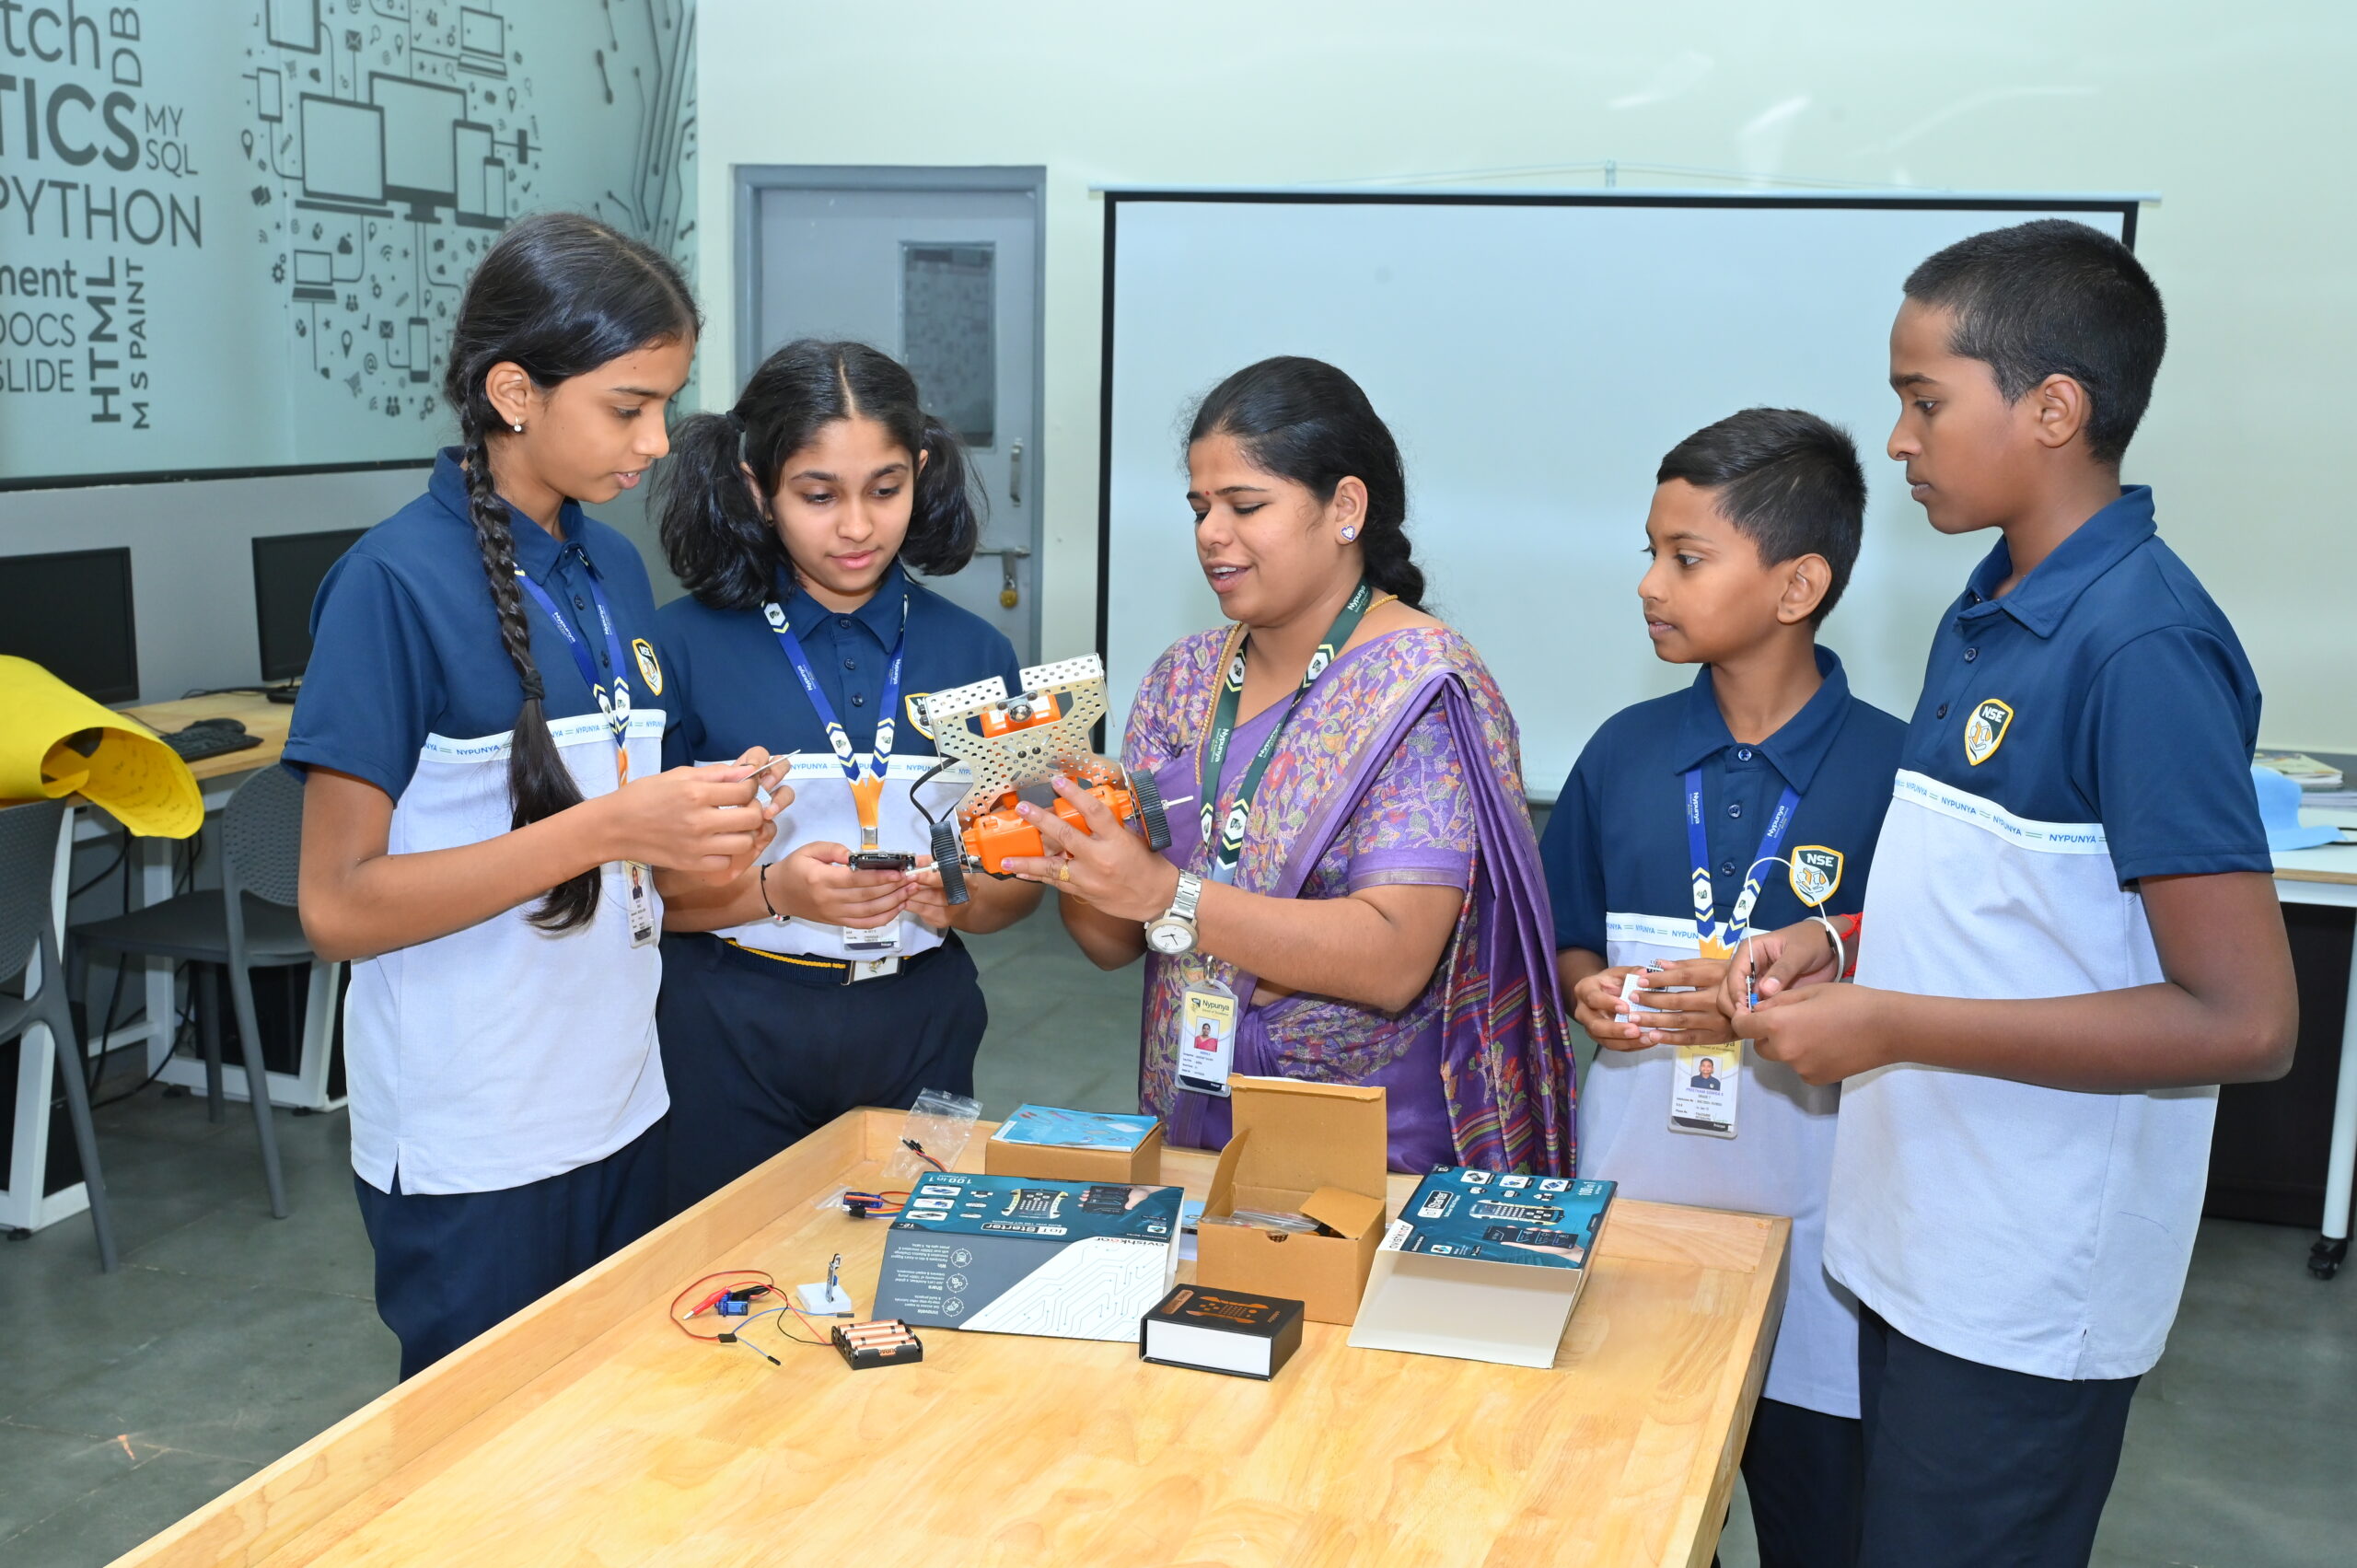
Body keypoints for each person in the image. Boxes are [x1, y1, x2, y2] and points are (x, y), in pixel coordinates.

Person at [1725, 220, 2298, 1567]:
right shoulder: (1990, 608)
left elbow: (2243, 1017)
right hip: (1919, 1232)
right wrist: (1840, 944)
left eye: (1924, 400)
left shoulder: (2143, 644)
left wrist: (1890, 1021)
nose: (1899, 440)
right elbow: (2013, 907)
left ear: (2053, 409)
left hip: (2025, 1287)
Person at [287, 214, 783, 1378]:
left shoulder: (612, 566)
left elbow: (619, 840)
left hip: (621, 1098)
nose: (656, 442)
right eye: (628, 407)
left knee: (617, 1433)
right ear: (515, 392)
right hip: (476, 1139)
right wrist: (608, 825)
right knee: (485, 1458)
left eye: (666, 406)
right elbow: (338, 906)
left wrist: (705, 818)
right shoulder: (391, 583)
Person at [1016, 355, 1573, 1174]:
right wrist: (1071, 841)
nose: (1211, 533)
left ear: (1345, 507)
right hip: (1188, 1122)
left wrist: (1170, 894)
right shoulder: (1184, 679)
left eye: (1245, 505)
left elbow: (1393, 957)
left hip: (1364, 1157)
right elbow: (1112, 944)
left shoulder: (1418, 687)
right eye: (1200, 508)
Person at [1541, 408, 1903, 1568]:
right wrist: (1589, 989)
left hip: (1820, 1246)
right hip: (1634, 1209)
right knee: (1625, 1521)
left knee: (1820, 1524)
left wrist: (1783, 1004)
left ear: (1798, 584)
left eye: (1686, 557)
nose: (1649, 583)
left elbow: (1919, 983)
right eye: (1650, 551)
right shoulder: (1622, 751)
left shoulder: (1897, 770)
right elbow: (1566, 934)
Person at [651, 340, 1038, 1211]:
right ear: (758, 488)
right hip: (728, 1025)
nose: (857, 527)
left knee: (908, 1258)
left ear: (920, 473)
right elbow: (638, 895)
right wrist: (774, 891)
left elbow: (1014, 889)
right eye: (819, 496)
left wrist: (962, 896)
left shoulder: (977, 653)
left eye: (885, 489)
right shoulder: (677, 648)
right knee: (730, 1267)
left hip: (921, 1024)